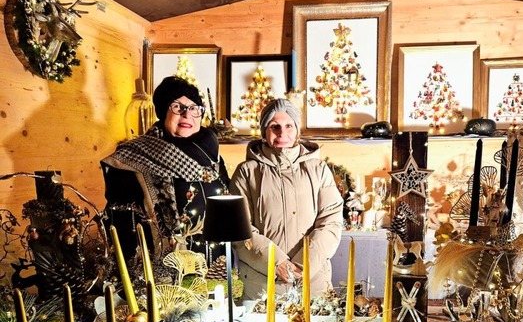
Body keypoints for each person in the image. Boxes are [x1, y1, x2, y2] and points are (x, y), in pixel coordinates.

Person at [101, 76, 229, 262]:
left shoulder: (212, 156)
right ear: (163, 111)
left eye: (193, 108)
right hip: (161, 271)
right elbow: (120, 225)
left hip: (214, 265)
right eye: (178, 106)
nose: (187, 114)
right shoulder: (132, 158)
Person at [229, 98, 344, 301]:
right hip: (262, 286)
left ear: (297, 130)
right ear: (264, 131)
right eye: (275, 126)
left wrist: (303, 264)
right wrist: (276, 263)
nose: (282, 133)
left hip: (313, 283)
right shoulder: (246, 173)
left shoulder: (318, 170)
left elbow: (331, 222)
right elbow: (239, 228)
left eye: (289, 126)